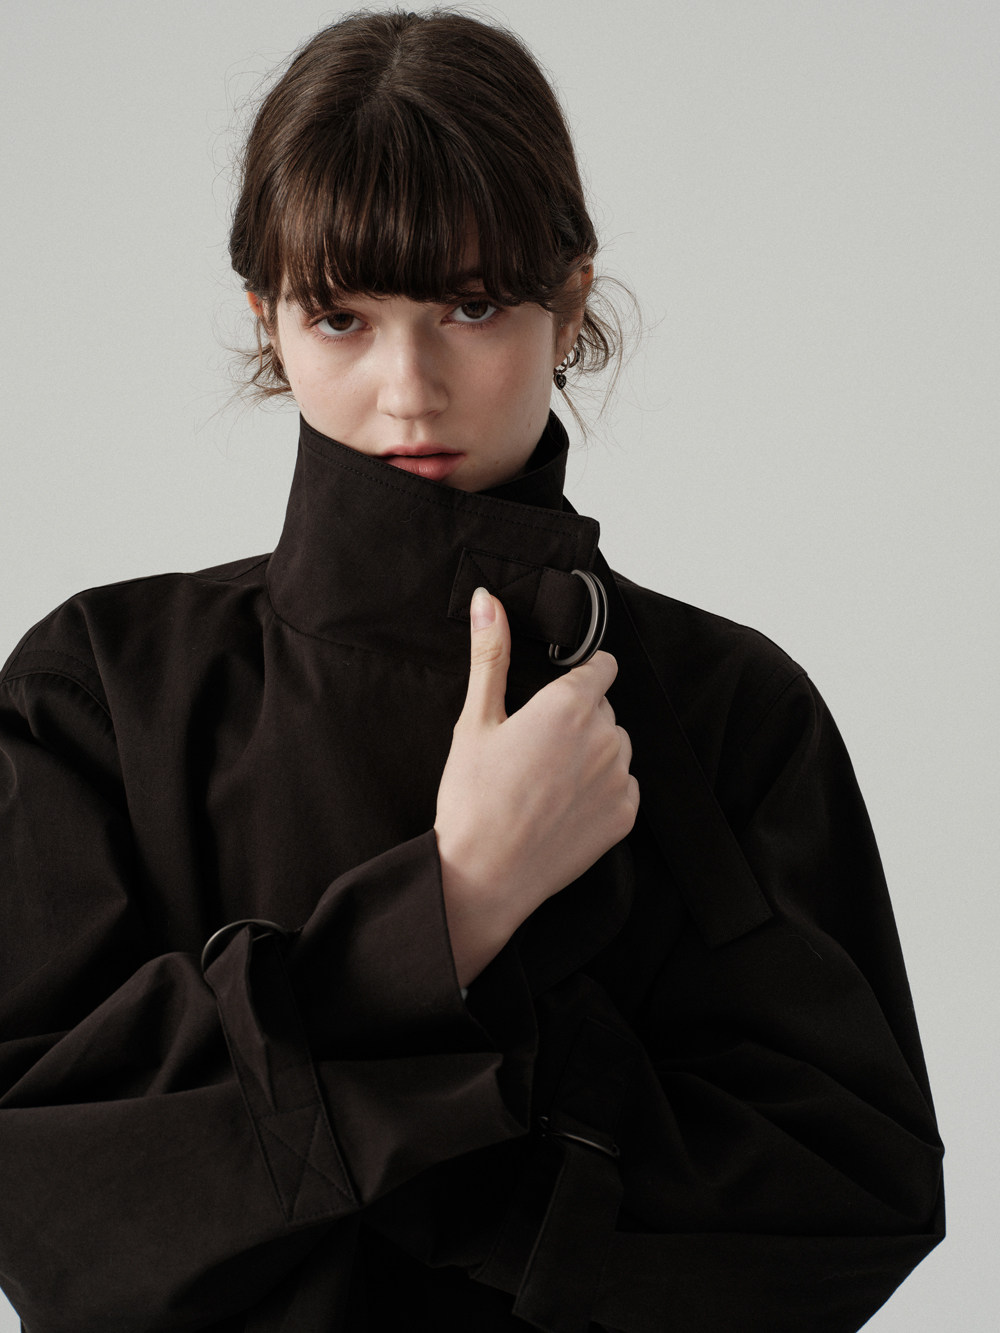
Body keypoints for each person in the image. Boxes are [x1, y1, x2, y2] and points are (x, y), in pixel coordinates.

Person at [0, 9, 943, 1331]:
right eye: (341, 316)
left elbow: (854, 1198)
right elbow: (48, 1202)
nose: (408, 389)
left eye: (473, 304)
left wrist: (381, 1128)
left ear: (570, 302)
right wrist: (450, 906)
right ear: (268, 319)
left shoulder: (731, 708)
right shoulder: (101, 688)